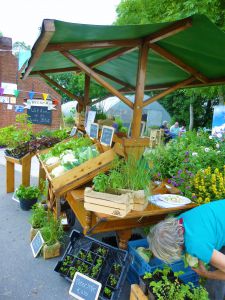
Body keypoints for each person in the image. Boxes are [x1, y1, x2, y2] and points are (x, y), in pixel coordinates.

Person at [148, 200, 225, 300]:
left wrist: (207, 274)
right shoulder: (180, 220)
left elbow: (199, 244)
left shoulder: (195, 245)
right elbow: (204, 233)